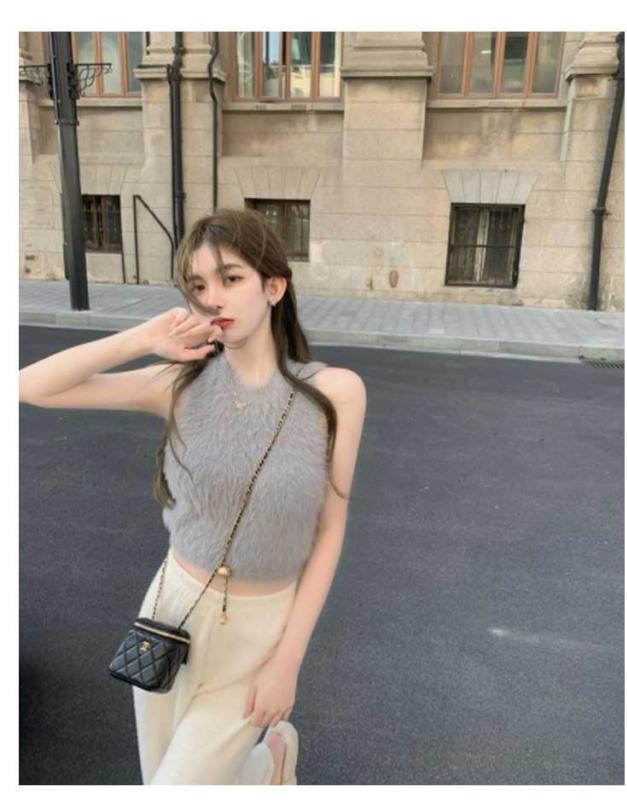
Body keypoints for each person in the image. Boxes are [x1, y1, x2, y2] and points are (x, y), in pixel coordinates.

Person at [19, 207, 367, 785]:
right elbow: (29, 386)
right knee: (161, 776)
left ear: (274, 287)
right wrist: (143, 337)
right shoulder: (179, 384)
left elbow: (329, 530)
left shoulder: (334, 394)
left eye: (231, 278)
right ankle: (266, 771)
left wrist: (288, 661)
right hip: (171, 610)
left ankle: (267, 763)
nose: (213, 299)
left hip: (260, 628)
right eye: (199, 286)